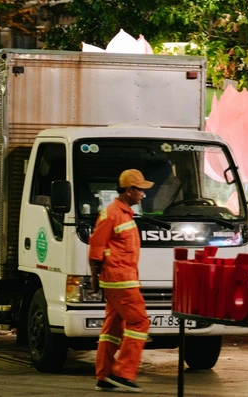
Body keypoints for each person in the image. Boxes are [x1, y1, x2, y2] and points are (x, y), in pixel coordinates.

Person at [89, 168, 154, 392]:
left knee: (112, 328)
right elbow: (96, 248)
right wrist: (93, 280)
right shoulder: (112, 214)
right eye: (141, 190)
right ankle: (123, 373)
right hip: (120, 280)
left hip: (120, 279)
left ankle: (105, 375)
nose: (143, 195)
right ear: (129, 190)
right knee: (140, 322)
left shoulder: (122, 213)